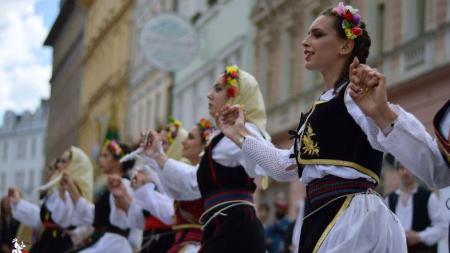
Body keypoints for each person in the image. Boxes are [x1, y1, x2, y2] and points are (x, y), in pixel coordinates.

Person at [219, 2, 407, 252]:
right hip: (321, 213)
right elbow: (284, 166)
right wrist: (240, 134)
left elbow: (383, 134)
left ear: (345, 45)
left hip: (353, 218)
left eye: (317, 34)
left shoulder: (357, 96)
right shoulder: (322, 106)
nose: (305, 42)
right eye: (307, 34)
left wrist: (377, 105)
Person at [140, 66, 269, 253]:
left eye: (218, 89)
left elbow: (193, 181)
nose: (209, 95)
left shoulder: (242, 132)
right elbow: (190, 186)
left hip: (235, 227)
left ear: (235, 97)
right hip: (222, 225)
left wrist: (158, 157)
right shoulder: (222, 138)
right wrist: (156, 157)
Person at [60, 140, 141, 253]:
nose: (100, 160)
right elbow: (95, 215)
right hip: (107, 242)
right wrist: (71, 187)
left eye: (105, 156)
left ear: (118, 161)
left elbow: (126, 221)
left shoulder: (124, 185)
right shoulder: (111, 188)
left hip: (115, 245)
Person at [9, 147, 94, 253]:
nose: (58, 166)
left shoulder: (72, 193)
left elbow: (61, 219)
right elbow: (41, 218)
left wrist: (63, 193)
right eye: (59, 162)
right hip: (49, 242)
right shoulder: (58, 191)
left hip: (57, 245)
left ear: (75, 166)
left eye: (63, 162)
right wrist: (19, 203)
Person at [386, 163, 447, 253]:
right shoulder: (389, 199)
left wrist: (420, 236)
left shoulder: (429, 197)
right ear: (397, 171)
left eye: (409, 168)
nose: (405, 172)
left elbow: (442, 227)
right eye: (401, 168)